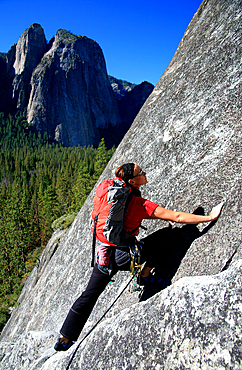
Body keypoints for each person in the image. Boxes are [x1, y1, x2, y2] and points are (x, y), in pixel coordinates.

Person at [54, 163, 223, 351]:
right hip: (125, 256)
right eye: (140, 173)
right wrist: (209, 218)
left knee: (89, 295)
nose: (145, 173)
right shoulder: (139, 204)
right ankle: (145, 274)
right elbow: (176, 217)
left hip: (103, 254)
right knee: (166, 236)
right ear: (133, 181)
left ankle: (65, 337)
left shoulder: (106, 188)